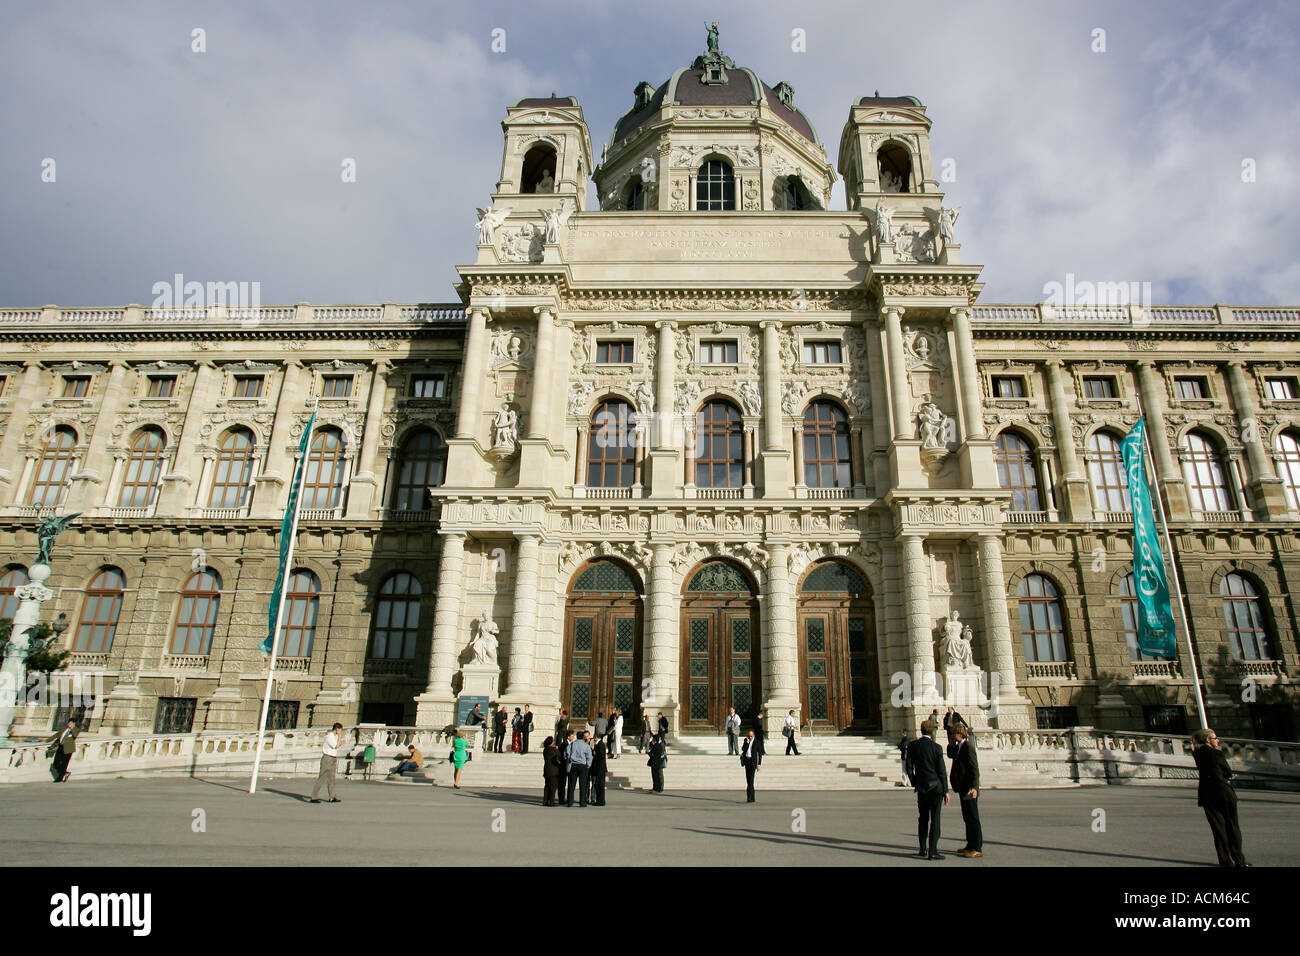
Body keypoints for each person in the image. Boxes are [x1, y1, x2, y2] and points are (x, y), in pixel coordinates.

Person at [1192, 728, 1249, 867]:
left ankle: (1225, 861)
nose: (1218, 740)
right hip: (1223, 791)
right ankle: (1239, 860)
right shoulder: (1216, 753)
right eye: (1215, 738)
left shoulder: (1197, 753)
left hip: (1206, 793)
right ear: (1208, 740)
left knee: (1218, 829)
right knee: (1232, 826)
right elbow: (1227, 772)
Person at [907, 720, 949, 859]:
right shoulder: (937, 747)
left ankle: (922, 849)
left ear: (921, 730)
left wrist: (914, 782)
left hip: (922, 787)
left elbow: (909, 767)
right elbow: (942, 771)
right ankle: (933, 851)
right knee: (935, 819)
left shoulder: (913, 745)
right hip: (936, 787)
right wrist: (946, 790)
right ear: (932, 731)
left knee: (923, 818)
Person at [948, 722, 982, 858]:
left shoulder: (968, 747)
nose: (952, 736)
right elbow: (950, 754)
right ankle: (970, 844)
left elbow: (974, 768)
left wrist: (975, 787)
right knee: (967, 817)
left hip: (969, 788)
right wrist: (951, 744)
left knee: (973, 818)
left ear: (959, 734)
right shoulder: (959, 746)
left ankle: (976, 847)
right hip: (962, 787)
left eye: (953, 734)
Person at [310, 722, 344, 803]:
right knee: (322, 778)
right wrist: (339, 736)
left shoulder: (334, 736)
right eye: (340, 730)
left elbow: (337, 745)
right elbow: (336, 746)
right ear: (337, 729)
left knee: (332, 778)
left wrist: (338, 738)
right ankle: (313, 797)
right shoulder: (329, 736)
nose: (340, 732)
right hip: (327, 759)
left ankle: (332, 796)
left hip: (333, 758)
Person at [46, 718, 79, 783]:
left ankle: (59, 778)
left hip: (68, 749)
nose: (69, 724)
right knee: (56, 763)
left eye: (71, 723)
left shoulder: (76, 730)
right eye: (69, 722)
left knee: (64, 764)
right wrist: (47, 740)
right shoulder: (65, 729)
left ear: (73, 724)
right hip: (60, 747)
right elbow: (57, 735)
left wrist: (72, 728)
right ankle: (65, 773)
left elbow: (75, 735)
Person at [566, 731, 594, 807]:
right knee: (583, 785)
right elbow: (589, 756)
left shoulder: (572, 744)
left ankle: (570, 802)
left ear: (577, 736)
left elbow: (567, 753)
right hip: (582, 765)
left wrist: (570, 759)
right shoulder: (586, 745)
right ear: (583, 737)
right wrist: (588, 765)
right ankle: (582, 802)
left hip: (573, 764)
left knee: (571, 785)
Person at [740, 729, 762, 802]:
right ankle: (751, 797)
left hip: (753, 762)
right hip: (747, 762)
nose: (750, 737)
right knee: (748, 780)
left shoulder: (757, 742)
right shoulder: (746, 741)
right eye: (749, 736)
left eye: (751, 736)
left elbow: (759, 754)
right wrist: (746, 743)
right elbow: (743, 749)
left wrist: (758, 764)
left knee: (751, 780)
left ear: (754, 736)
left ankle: (750, 797)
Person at [541, 735, 561, 806]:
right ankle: (551, 801)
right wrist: (557, 749)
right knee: (553, 786)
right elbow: (559, 756)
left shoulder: (545, 750)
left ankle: (545, 801)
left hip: (547, 770)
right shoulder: (554, 750)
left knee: (547, 786)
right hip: (553, 770)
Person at [590, 734, 608, 806]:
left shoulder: (600, 745)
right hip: (600, 767)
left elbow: (600, 756)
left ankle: (600, 800)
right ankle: (600, 800)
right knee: (598, 785)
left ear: (596, 737)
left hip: (600, 768)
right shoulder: (599, 744)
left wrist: (594, 753)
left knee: (599, 785)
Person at [557, 731, 573, 800]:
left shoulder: (570, 744)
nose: (573, 737)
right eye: (572, 736)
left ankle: (566, 798)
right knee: (562, 783)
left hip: (568, 765)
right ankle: (561, 798)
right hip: (564, 765)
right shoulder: (564, 744)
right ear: (568, 737)